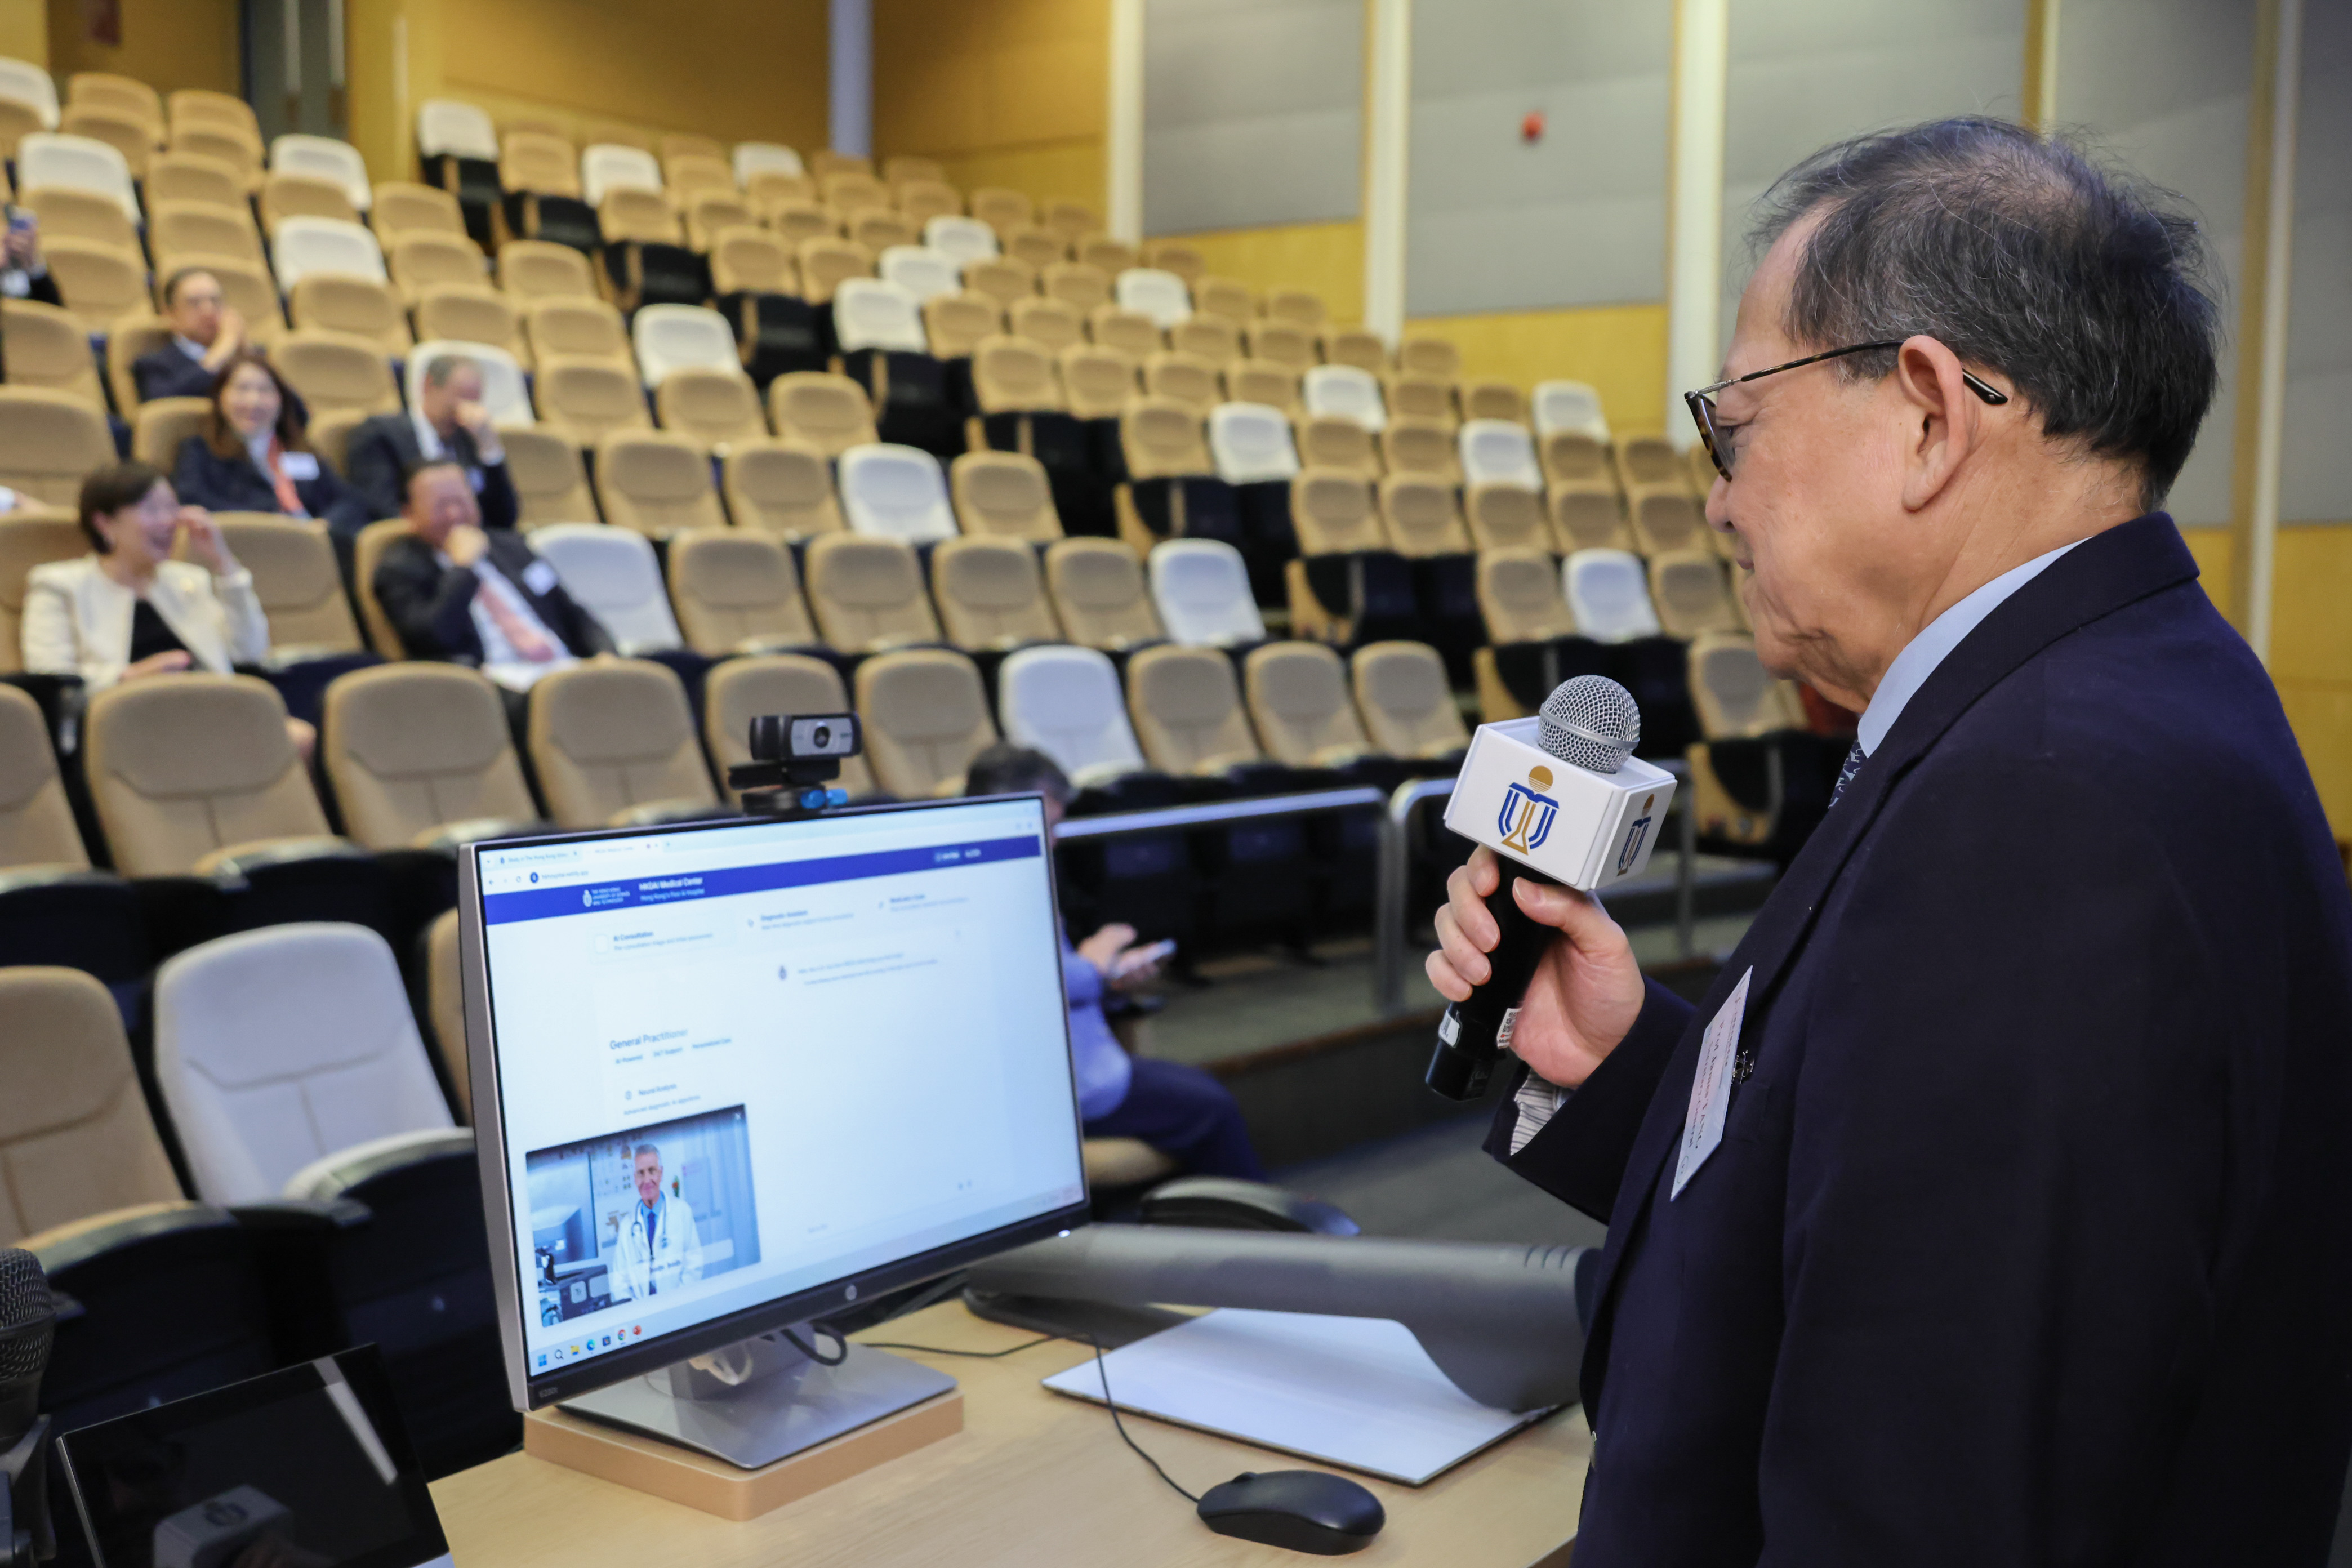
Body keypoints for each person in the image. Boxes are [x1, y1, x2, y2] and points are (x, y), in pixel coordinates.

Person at [1426, 118, 2352, 1565]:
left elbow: (1922, 1491)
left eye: (1734, 423)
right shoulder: (2134, 690)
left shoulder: (2039, 810)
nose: (1720, 495)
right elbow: (1890, 1212)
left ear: (1926, 412)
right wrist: (1620, 1067)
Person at [965, 744, 1266, 1181]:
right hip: (1062, 1090)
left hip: (1086, 1063)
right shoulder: (986, 890)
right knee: (1213, 1110)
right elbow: (1039, 986)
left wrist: (1109, 978)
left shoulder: (1011, 876)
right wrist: (1101, 956)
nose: (1054, 841)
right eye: (1045, 826)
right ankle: (1258, 1239)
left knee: (1204, 1094)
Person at [21, 461, 313, 756]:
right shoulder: (59, 585)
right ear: (104, 523)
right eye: (151, 510)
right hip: (121, 725)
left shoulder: (188, 581)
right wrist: (131, 677)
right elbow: (53, 684)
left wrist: (224, 564)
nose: (167, 521)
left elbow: (250, 652)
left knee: (299, 737)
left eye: (172, 508)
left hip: (208, 711)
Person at [371, 461, 605, 697]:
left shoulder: (512, 547)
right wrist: (463, 569)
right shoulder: (398, 570)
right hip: (489, 686)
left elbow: (571, 611)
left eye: (461, 501)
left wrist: (606, 655)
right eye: (441, 506)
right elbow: (434, 639)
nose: (455, 514)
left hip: (562, 668)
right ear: (408, 514)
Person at [170, 350, 374, 536]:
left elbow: (350, 501)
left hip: (309, 550)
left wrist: (324, 525)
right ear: (220, 397)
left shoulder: (300, 451)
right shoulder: (200, 451)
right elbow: (195, 503)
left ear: (280, 401)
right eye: (242, 389)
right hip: (249, 548)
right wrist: (275, 520)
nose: (254, 401)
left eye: (265, 391)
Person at [342, 355, 518, 530]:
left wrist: (490, 449)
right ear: (429, 386)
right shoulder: (380, 435)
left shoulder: (472, 440)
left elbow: (503, 519)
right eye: (461, 396)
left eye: (475, 399)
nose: (468, 408)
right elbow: (382, 510)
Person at [132, 268, 251, 403]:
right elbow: (164, 408)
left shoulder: (245, 355)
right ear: (171, 314)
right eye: (194, 303)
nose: (208, 311)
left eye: (215, 301)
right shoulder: (154, 365)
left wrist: (245, 351)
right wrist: (221, 351)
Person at [610, 1143, 703, 1302]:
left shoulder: (682, 1211)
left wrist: (678, 1301)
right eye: (641, 1173)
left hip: (680, 1306)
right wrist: (636, 1309)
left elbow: (694, 1264)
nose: (647, 1180)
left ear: (661, 1174)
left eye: (652, 1171)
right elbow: (619, 1280)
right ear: (635, 1178)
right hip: (641, 1314)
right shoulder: (627, 1226)